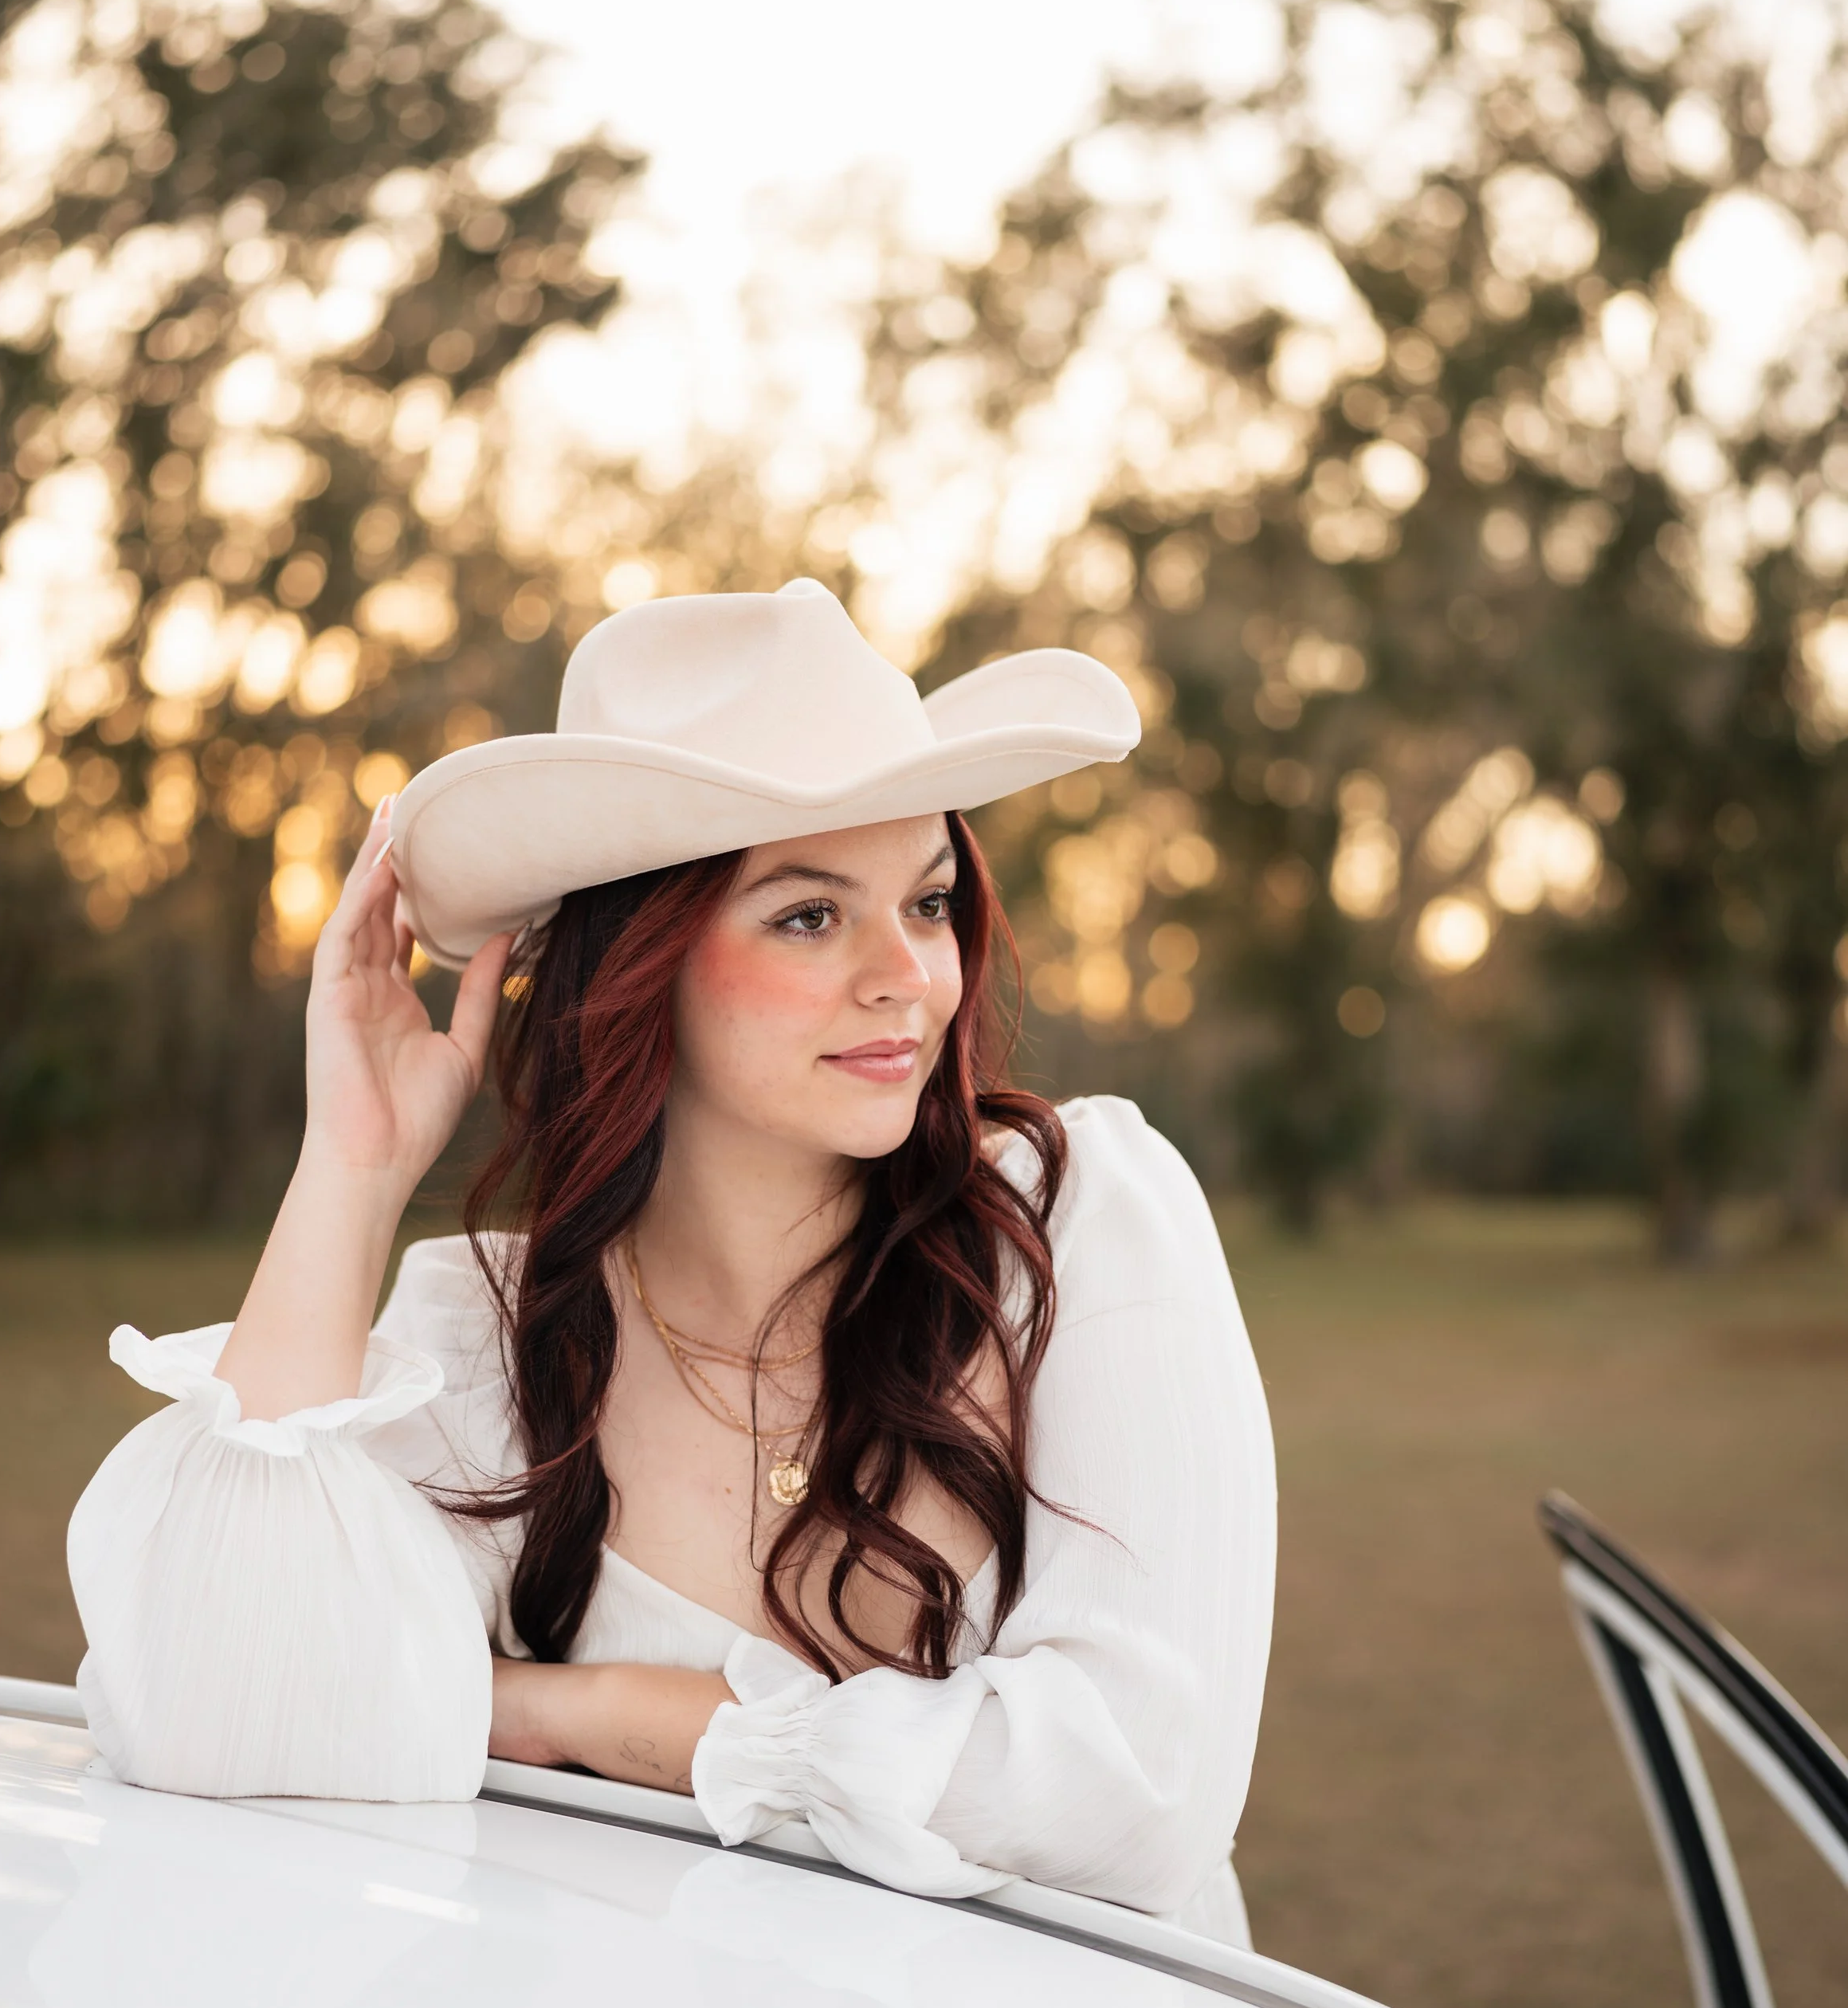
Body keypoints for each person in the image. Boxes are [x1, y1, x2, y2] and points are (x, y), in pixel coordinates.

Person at [69, 579, 1275, 1935]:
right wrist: (350, 1168)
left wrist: (603, 1713)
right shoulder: (487, 1333)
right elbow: (214, 1712)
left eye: (928, 900)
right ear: (637, 966)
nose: (909, 976)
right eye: (811, 915)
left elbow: (1141, 1801)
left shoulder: (1069, 1222)